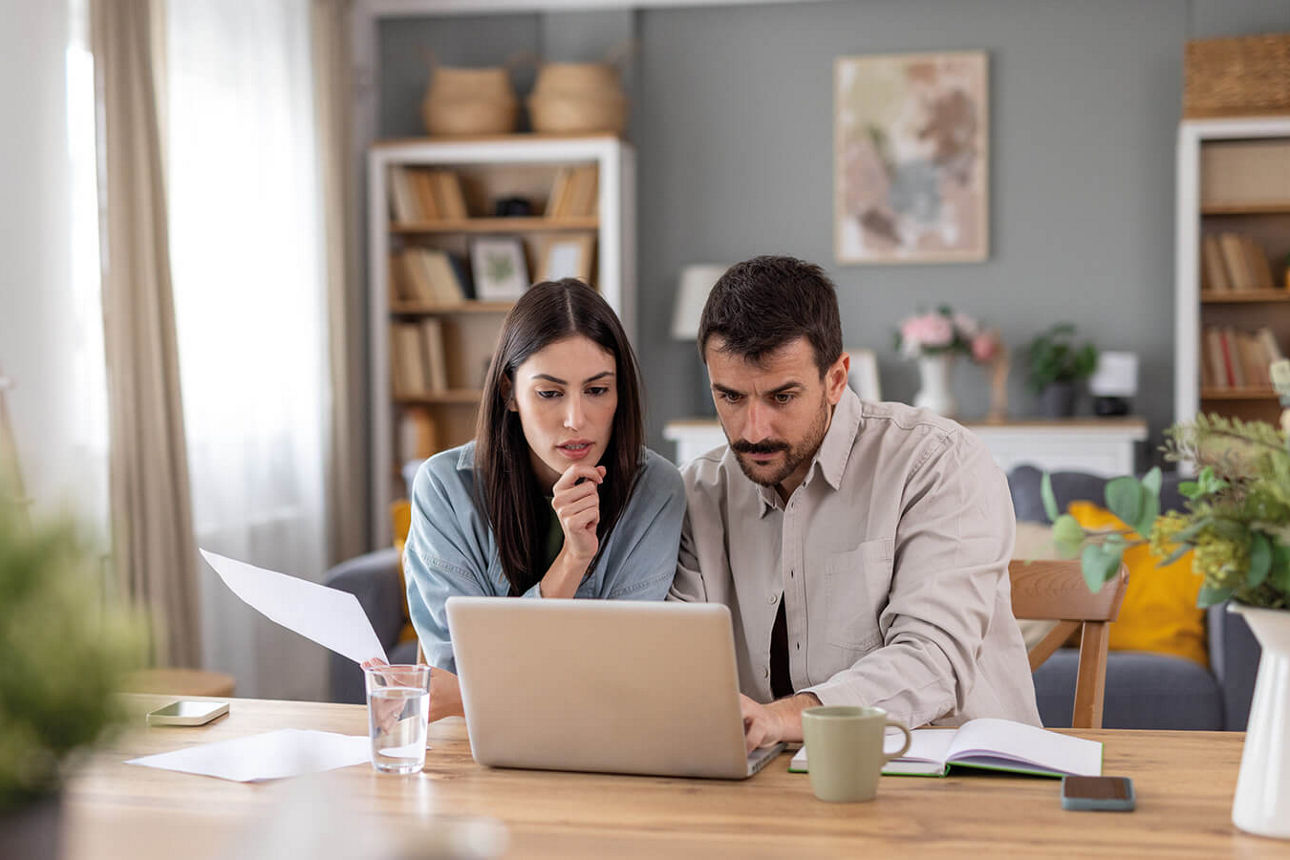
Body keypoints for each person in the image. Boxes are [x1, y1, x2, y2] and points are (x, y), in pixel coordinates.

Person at [670, 255, 1040, 752]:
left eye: (782, 397)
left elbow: (932, 659)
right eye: (731, 397)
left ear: (837, 378)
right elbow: (673, 658)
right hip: (779, 791)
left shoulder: (937, 463)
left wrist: (782, 719)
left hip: (959, 780)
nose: (753, 430)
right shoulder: (699, 492)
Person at [395, 279, 685, 721]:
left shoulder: (657, 490)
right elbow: (454, 668)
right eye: (549, 393)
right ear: (510, 393)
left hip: (605, 749)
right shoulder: (444, 488)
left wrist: (480, 690)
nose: (576, 419)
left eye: (597, 390)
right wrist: (573, 559)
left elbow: (622, 677)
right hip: (474, 755)